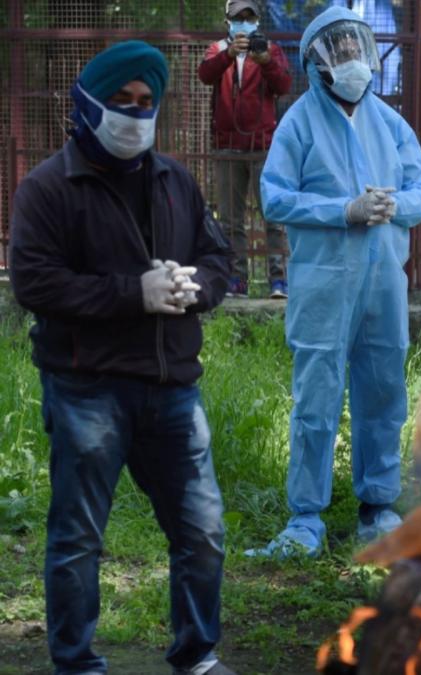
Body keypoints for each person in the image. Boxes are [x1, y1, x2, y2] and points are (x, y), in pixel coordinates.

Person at [8, 41, 235, 675]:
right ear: (86, 106)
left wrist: (197, 287)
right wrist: (132, 293)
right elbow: (35, 282)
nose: (135, 114)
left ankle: (196, 655)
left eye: (146, 103)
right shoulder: (50, 187)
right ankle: (76, 663)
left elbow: (221, 260)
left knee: (202, 533)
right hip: (87, 389)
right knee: (79, 540)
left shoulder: (174, 180)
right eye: (121, 102)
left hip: (172, 388)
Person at [250, 6, 421, 558]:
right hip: (323, 283)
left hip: (383, 282)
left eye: (356, 46)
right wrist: (343, 210)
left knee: (383, 389)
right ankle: (305, 517)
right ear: (316, 62)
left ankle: (377, 506)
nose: (352, 57)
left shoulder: (389, 120)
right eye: (340, 49)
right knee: (317, 394)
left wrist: (392, 204)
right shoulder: (299, 122)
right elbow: (274, 196)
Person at [198, 0, 292, 298]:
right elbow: (205, 75)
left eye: (249, 17)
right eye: (239, 18)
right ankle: (236, 279)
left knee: (273, 216)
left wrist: (264, 60)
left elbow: (284, 85)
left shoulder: (270, 50)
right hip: (227, 146)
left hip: (263, 147)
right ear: (228, 21)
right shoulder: (217, 49)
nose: (244, 23)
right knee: (230, 221)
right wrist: (229, 54)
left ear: (257, 21)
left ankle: (278, 280)